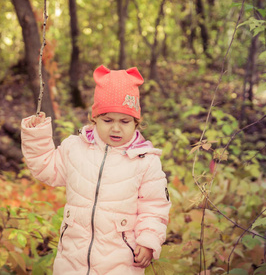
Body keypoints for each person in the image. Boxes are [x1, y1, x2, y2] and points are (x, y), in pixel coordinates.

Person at [21, 65, 171, 275]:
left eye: (125, 121)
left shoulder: (145, 161)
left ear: (136, 123)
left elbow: (154, 208)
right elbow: (46, 167)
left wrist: (148, 241)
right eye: (107, 120)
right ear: (95, 119)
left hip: (121, 261)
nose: (116, 128)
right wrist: (36, 135)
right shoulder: (75, 148)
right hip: (72, 258)